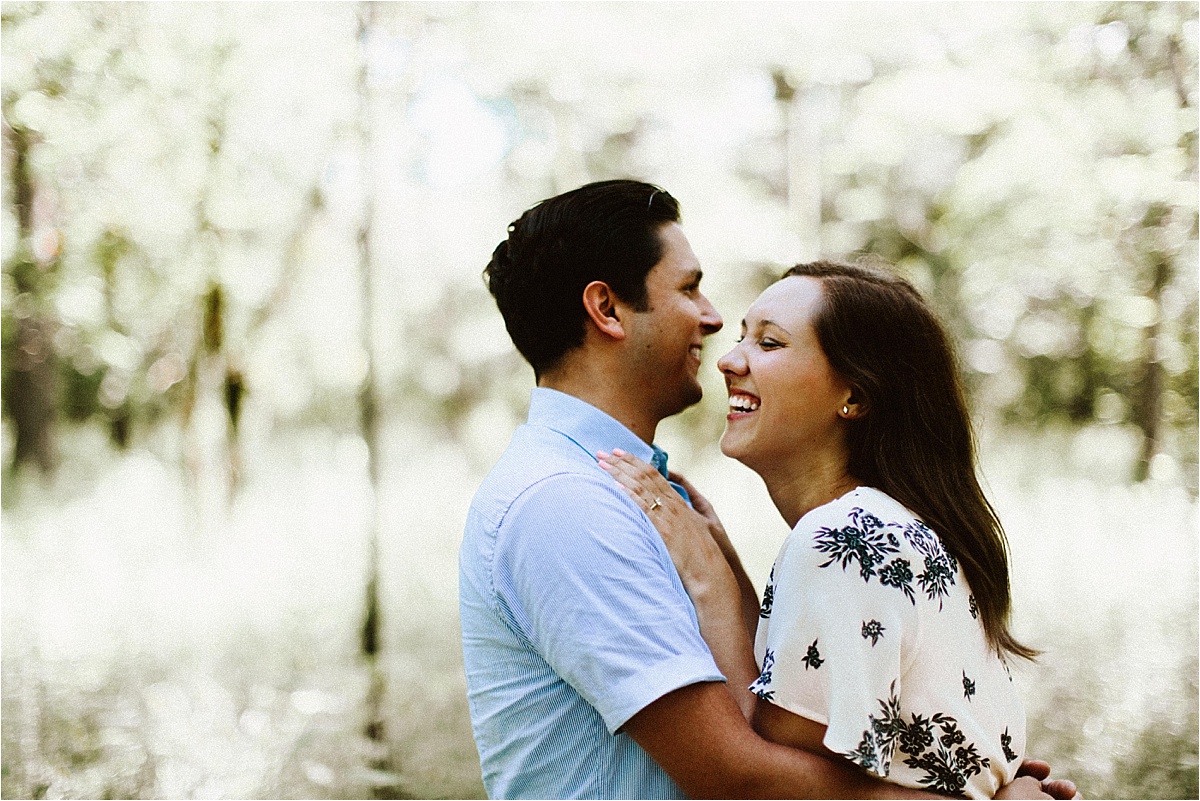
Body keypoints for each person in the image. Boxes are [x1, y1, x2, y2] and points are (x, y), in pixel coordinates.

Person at [460, 179, 1075, 800]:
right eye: (688, 287)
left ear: (855, 395)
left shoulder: (671, 498)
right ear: (607, 310)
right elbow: (737, 775)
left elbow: (804, 728)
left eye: (770, 341)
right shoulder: (568, 504)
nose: (716, 324)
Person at [597, 260, 1062, 798]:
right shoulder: (890, 527)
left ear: (855, 396)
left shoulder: (844, 538)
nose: (727, 360)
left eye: (769, 344)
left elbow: (778, 774)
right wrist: (722, 558)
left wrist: (707, 575)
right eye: (743, 337)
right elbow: (796, 704)